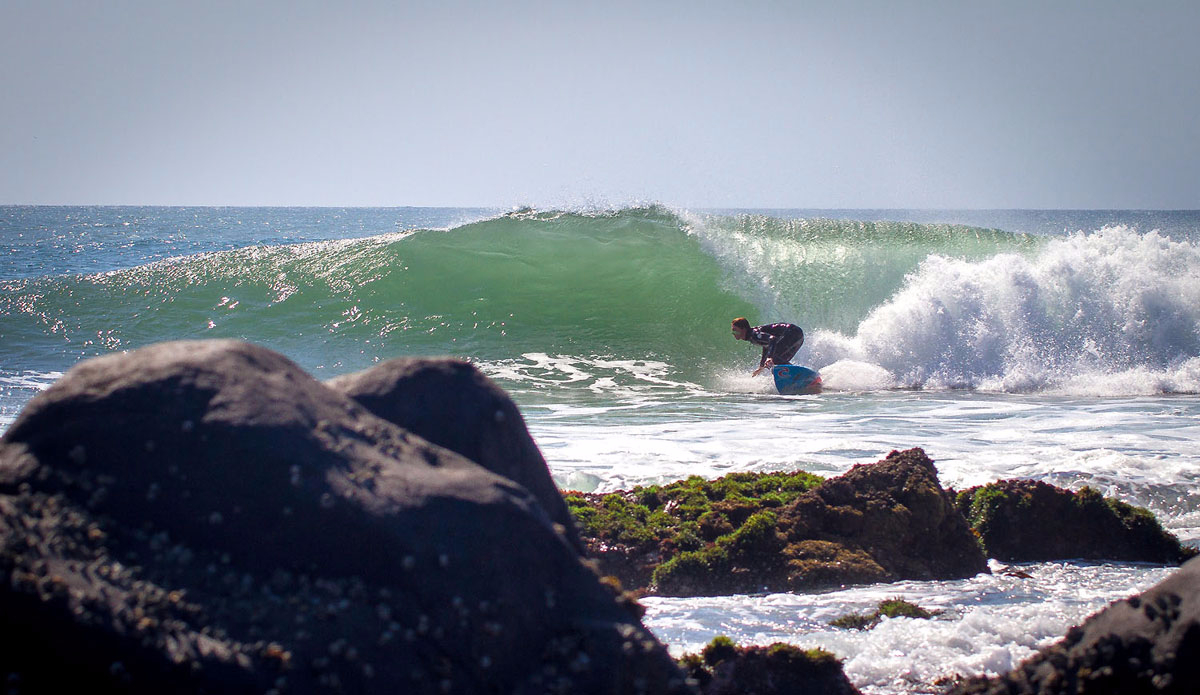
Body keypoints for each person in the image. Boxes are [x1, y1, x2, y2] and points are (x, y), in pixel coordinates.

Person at [731, 317, 805, 377]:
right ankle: (796, 377)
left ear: (743, 329)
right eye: (732, 331)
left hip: (793, 332)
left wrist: (770, 357)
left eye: (735, 330)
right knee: (778, 362)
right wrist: (761, 366)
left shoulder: (754, 334)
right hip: (797, 334)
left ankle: (797, 375)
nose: (733, 333)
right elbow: (766, 346)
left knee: (775, 359)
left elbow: (772, 339)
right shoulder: (752, 335)